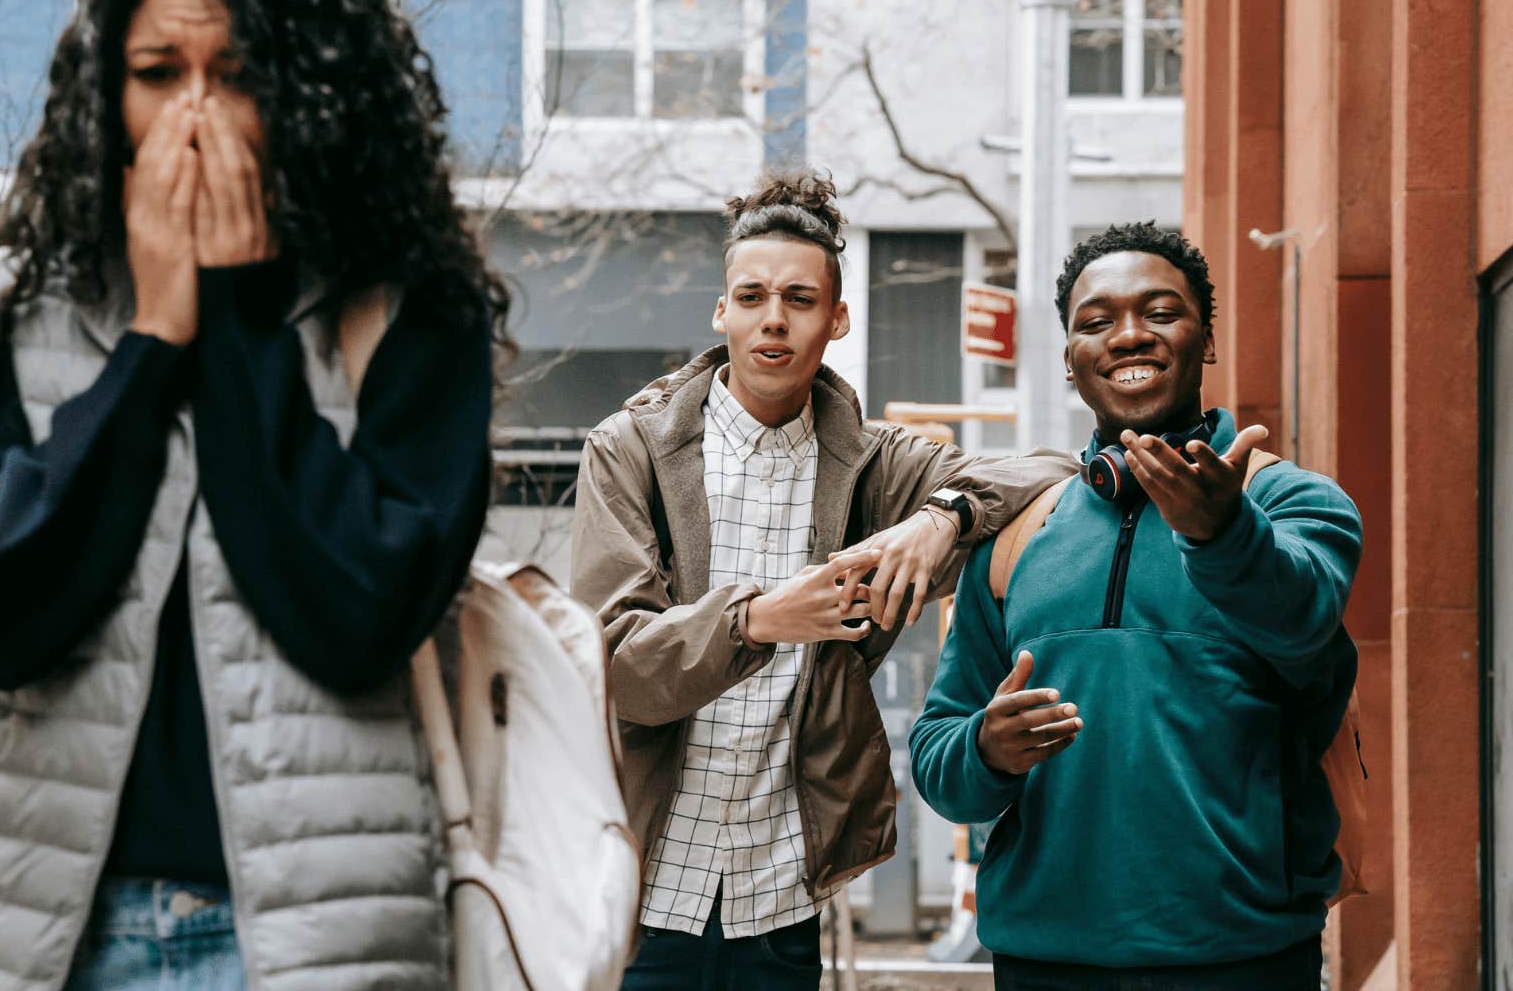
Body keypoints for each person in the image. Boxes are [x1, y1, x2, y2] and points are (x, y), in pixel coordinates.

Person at [0, 0, 507, 987]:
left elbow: (357, 613)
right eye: (159, 72)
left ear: (311, 92)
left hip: (311, 944)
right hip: (42, 943)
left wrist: (239, 325)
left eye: (240, 71)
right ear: (108, 99)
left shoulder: (408, 312)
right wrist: (152, 342)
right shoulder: (11, 304)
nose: (198, 113)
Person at [569, 170, 1077, 990]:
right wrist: (757, 621)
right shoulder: (632, 449)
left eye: (800, 300)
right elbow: (617, 669)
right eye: (753, 295)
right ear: (721, 310)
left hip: (779, 901)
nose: (774, 318)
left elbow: (1056, 469)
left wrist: (940, 515)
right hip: (640, 890)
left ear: (837, 319)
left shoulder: (874, 465)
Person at [910, 222, 1363, 989]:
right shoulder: (1020, 533)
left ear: (1206, 340)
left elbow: (1303, 625)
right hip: (1042, 962)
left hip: (1241, 960)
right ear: (1069, 362)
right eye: (1096, 321)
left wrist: (1224, 534)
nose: (1128, 337)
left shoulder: (1290, 501)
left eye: (1159, 312)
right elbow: (937, 755)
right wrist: (986, 749)